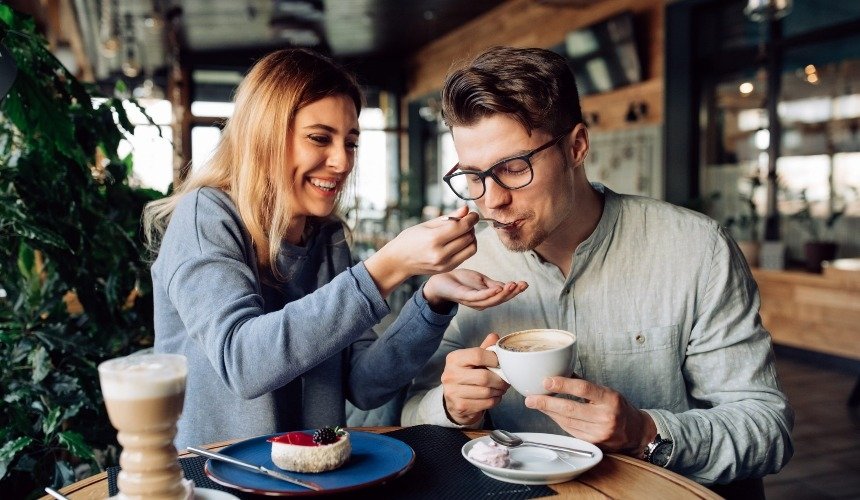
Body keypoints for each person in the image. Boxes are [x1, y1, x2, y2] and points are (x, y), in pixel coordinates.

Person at [402, 46, 793, 490]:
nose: (491, 200)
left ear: (577, 146)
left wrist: (644, 433)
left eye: (512, 168)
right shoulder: (466, 265)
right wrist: (452, 407)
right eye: (472, 176)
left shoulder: (696, 250)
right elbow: (410, 412)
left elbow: (767, 429)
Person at [142, 48, 527, 450]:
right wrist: (386, 268)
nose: (342, 161)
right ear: (264, 137)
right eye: (320, 138)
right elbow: (243, 363)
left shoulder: (328, 239)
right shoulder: (205, 217)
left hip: (312, 478)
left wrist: (431, 300)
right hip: (214, 479)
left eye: (351, 142)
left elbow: (365, 385)